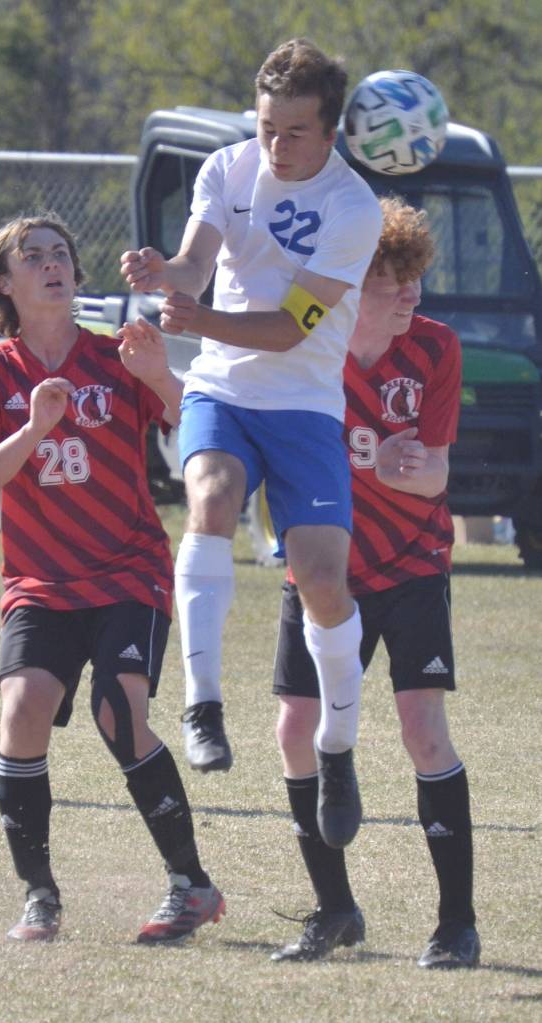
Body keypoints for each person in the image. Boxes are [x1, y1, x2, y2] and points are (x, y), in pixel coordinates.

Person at [121, 39, 383, 851]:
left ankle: (336, 747)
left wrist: (199, 318)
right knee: (209, 497)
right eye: (266, 126)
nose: (275, 146)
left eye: (294, 132)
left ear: (331, 131)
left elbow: (287, 327)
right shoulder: (227, 168)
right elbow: (198, 261)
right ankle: (202, 703)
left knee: (321, 580)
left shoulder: (353, 208)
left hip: (304, 404)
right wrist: (170, 274)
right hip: (223, 391)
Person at [0, 212, 224, 944]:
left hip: (127, 568)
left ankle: (190, 885)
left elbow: (194, 422)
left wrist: (159, 374)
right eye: (31, 257)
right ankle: (40, 895)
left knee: (119, 710)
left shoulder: (114, 357)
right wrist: (32, 429)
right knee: (22, 709)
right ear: (5, 284)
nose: (51, 264)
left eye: (60, 254)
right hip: (39, 581)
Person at [271, 196, 480, 969]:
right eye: (392, 281)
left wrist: (411, 468)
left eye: (415, 277)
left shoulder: (433, 348)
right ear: (351, 285)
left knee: (423, 729)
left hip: (411, 566)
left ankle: (455, 923)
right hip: (321, 572)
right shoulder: (305, 352)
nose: (411, 294)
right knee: (295, 730)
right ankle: (334, 910)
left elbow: (437, 476)